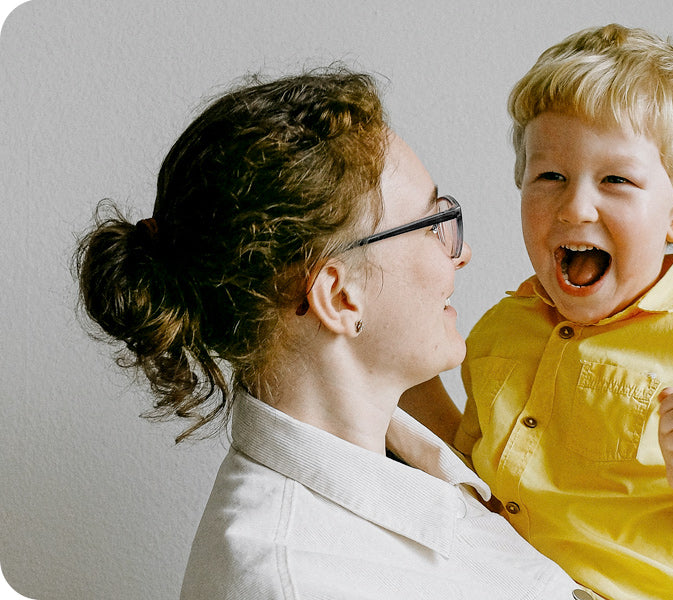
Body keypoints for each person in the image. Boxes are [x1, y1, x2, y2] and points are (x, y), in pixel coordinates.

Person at [75, 67, 600, 600]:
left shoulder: (434, 454)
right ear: (338, 296)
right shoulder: (291, 582)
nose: (461, 253)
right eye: (432, 225)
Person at [413, 24, 673, 600]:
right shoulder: (498, 331)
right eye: (550, 177)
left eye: (616, 179)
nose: (575, 206)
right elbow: (470, 480)